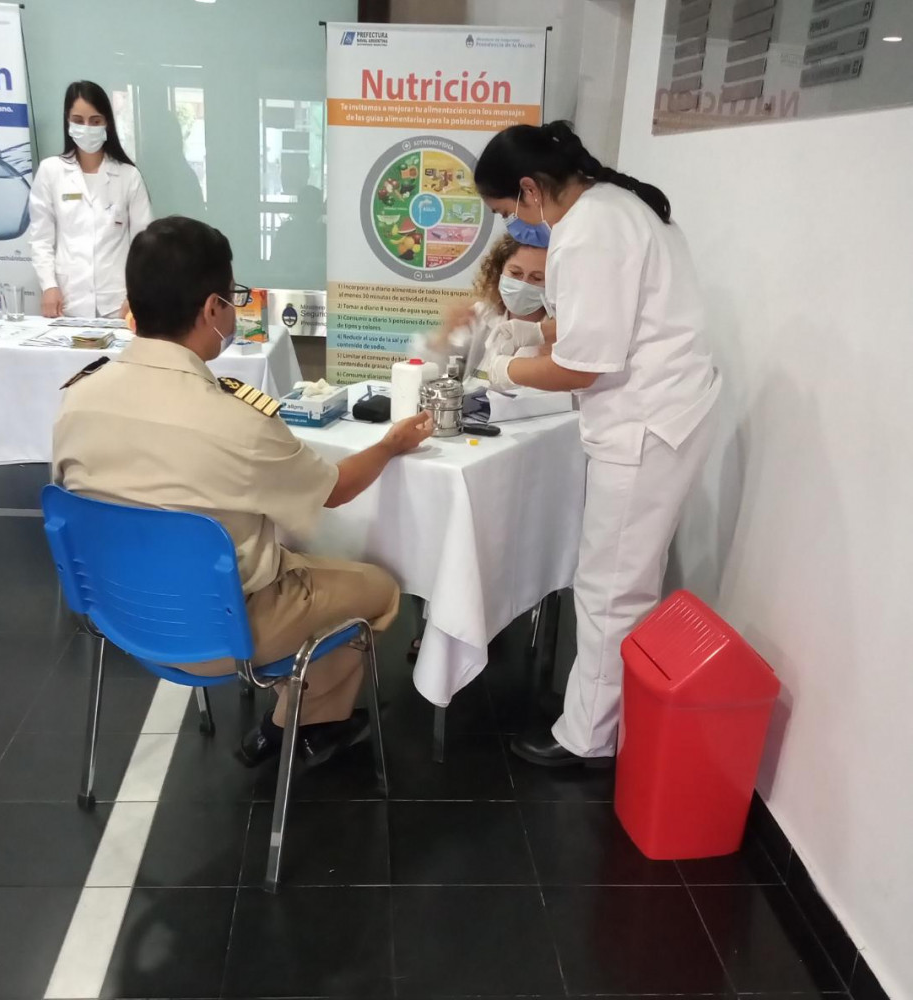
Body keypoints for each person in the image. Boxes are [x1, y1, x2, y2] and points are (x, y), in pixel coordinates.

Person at [52, 216, 433, 767]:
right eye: (232, 298)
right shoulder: (236, 421)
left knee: (292, 561)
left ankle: (304, 711)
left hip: (118, 612)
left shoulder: (77, 399)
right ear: (212, 309)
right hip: (220, 629)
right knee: (378, 588)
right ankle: (298, 724)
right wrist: (391, 444)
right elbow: (334, 491)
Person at [474, 120, 721, 767]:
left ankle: (589, 741)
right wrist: (536, 337)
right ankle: (609, 726)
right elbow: (597, 324)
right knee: (622, 579)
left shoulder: (588, 230)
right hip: (667, 412)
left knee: (611, 587)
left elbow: (583, 368)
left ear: (530, 189)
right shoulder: (614, 206)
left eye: (506, 211)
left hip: (645, 424)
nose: (513, 226)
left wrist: (506, 369)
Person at [29, 81, 153, 319]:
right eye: (78, 120)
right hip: (67, 300)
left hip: (118, 302)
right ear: (67, 121)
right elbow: (41, 239)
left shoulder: (128, 175)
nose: (86, 128)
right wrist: (49, 286)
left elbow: (144, 245)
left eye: (95, 121)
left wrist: (136, 294)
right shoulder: (50, 171)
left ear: (107, 123)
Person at [424, 234, 551, 386]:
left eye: (536, 278)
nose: (523, 284)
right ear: (500, 271)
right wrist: (444, 336)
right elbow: (435, 374)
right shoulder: (481, 315)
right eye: (515, 273)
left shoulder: (557, 331)